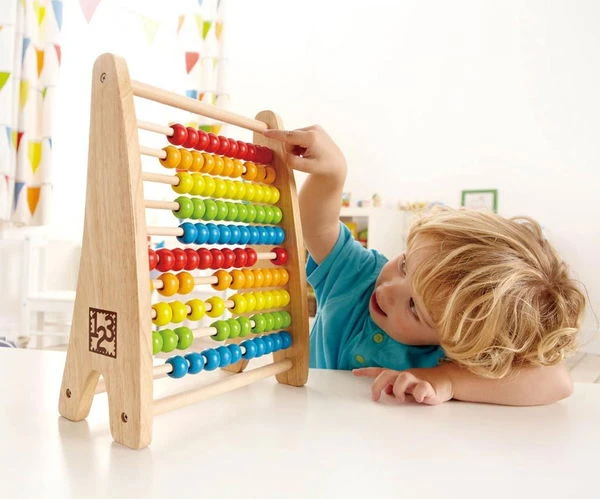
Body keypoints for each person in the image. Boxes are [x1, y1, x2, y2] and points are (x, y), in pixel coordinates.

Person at [263, 126, 586, 406]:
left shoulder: (454, 353)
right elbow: (317, 228)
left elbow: (556, 383)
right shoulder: (357, 278)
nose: (388, 290)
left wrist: (448, 380)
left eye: (415, 307)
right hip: (309, 418)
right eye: (405, 266)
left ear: (454, 340)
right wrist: (332, 176)